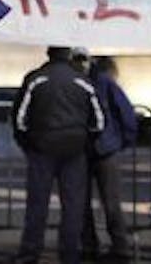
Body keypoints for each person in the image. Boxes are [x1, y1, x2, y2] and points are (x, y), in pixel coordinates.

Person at [13, 46, 103, 264]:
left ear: (49, 54)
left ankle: (30, 253)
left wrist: (29, 143)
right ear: (69, 55)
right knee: (73, 206)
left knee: (37, 205)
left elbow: (19, 120)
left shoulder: (36, 79)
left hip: (41, 147)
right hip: (74, 149)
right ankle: (70, 254)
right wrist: (85, 142)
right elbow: (99, 122)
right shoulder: (82, 81)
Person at [79, 54, 137, 264]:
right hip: (106, 148)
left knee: (83, 203)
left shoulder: (78, 80)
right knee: (111, 202)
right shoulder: (105, 82)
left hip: (82, 149)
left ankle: (89, 246)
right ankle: (120, 247)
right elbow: (126, 113)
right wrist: (122, 141)